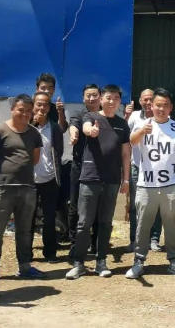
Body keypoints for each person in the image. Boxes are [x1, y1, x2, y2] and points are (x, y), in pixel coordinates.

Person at [126, 88, 175, 279]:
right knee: (143, 224)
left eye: (165, 106)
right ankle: (139, 261)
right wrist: (141, 132)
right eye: (158, 105)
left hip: (171, 185)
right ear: (151, 106)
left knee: (171, 224)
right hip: (146, 185)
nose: (161, 109)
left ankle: (174, 261)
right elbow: (131, 142)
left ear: (171, 108)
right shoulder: (143, 124)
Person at [66, 85, 130, 279]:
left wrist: (126, 179)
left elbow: (125, 153)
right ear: (101, 99)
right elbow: (85, 128)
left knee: (106, 222)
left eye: (116, 98)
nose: (112, 101)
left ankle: (101, 261)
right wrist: (90, 131)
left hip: (112, 179)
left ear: (119, 102)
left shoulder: (122, 124)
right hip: (90, 177)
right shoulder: (91, 116)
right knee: (84, 222)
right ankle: (79, 263)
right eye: (108, 97)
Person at [0, 94, 45, 284]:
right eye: (21, 110)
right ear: (12, 109)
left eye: (29, 111)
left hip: (27, 187)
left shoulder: (34, 133)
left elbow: (35, 158)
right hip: (2, 187)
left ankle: (25, 266)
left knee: (25, 231)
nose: (25, 114)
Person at [124, 89, 163, 253]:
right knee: (135, 206)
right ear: (140, 101)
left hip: (156, 169)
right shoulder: (134, 117)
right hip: (137, 168)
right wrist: (126, 116)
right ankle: (135, 239)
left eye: (150, 99)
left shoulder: (162, 117)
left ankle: (154, 239)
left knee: (157, 205)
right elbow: (125, 138)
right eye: (145, 99)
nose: (148, 102)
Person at [67, 84, 102, 257]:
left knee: (97, 207)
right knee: (75, 205)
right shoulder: (78, 113)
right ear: (83, 98)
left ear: (100, 96)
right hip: (79, 165)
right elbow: (73, 126)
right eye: (88, 95)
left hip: (99, 166)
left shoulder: (106, 115)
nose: (92, 98)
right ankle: (75, 243)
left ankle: (95, 243)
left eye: (95, 95)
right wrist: (73, 135)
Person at [30, 92, 64, 264]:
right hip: (29, 179)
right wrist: (33, 124)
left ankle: (50, 252)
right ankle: (26, 253)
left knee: (49, 218)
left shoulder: (54, 128)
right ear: (33, 105)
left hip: (49, 177)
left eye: (45, 105)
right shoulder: (26, 126)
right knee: (28, 218)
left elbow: (59, 151)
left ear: (49, 108)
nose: (41, 108)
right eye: (38, 104)